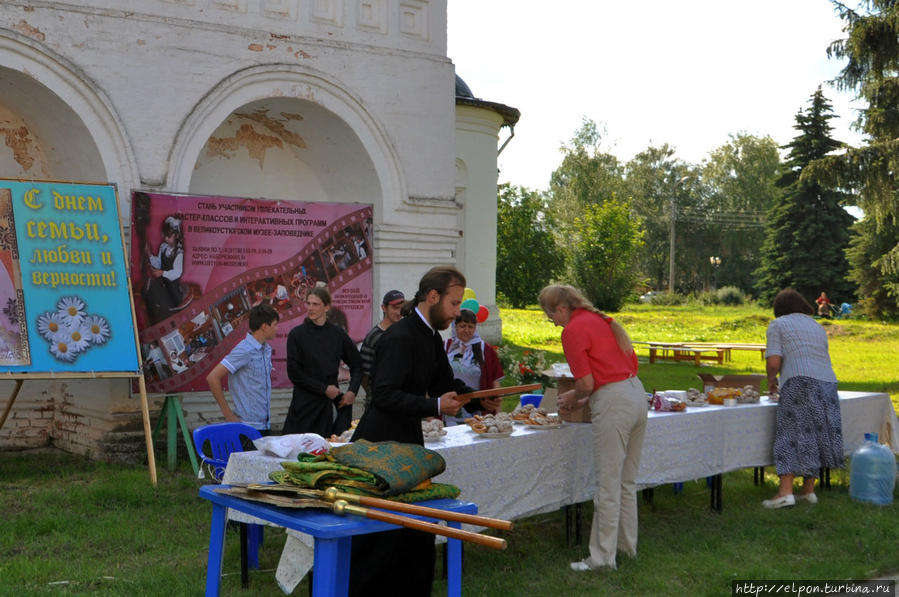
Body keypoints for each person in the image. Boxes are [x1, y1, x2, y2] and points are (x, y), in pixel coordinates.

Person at [349, 266, 472, 597]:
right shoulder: (399, 337)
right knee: (379, 534)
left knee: (416, 531)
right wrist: (434, 408)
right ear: (433, 297)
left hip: (407, 441)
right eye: (454, 303)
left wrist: (477, 401)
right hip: (379, 445)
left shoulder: (431, 336)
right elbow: (385, 394)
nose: (457, 312)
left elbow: (445, 384)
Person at [538, 284, 646, 572]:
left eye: (552, 317)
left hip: (613, 401)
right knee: (627, 481)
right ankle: (626, 546)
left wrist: (573, 398)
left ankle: (601, 559)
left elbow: (585, 384)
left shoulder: (572, 330)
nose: (554, 323)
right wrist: (580, 395)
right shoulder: (601, 320)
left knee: (608, 484)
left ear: (561, 309)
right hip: (636, 393)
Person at [762, 288, 842, 509]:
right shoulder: (816, 326)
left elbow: (774, 362)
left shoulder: (777, 325)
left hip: (799, 382)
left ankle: (785, 493)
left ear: (779, 309)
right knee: (815, 434)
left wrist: (771, 381)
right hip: (827, 382)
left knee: (790, 433)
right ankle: (808, 490)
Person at [282, 287, 362, 438]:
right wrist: (323, 389)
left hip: (330, 406)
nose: (310, 308)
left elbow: (357, 365)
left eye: (315, 304)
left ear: (326, 307)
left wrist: (352, 391)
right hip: (303, 406)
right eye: (308, 303)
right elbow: (294, 373)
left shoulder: (338, 334)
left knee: (331, 451)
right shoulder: (297, 335)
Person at [206, 304, 279, 433]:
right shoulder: (244, 349)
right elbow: (213, 377)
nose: (276, 329)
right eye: (274, 324)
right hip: (246, 427)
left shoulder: (266, 349)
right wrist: (228, 414)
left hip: (264, 425)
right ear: (264, 326)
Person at [444, 308, 504, 416]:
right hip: (449, 406)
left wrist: (497, 411)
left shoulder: (485, 350)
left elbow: (495, 382)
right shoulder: (445, 347)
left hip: (477, 407)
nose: (467, 330)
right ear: (455, 326)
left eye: (470, 327)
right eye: (463, 326)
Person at [358, 289, 405, 406]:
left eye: (401, 308)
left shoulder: (406, 333)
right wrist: (372, 394)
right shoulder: (374, 336)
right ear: (384, 308)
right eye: (395, 308)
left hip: (402, 399)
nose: (399, 312)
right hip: (379, 401)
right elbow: (364, 373)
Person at [144, 215, 188, 322]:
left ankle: (166, 321)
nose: (166, 239)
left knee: (156, 293)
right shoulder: (163, 247)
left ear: (177, 235)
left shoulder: (178, 253)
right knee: (146, 289)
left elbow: (177, 273)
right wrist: (149, 254)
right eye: (165, 236)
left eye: (169, 236)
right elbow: (159, 264)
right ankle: (152, 320)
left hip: (172, 290)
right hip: (163, 285)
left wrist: (162, 273)